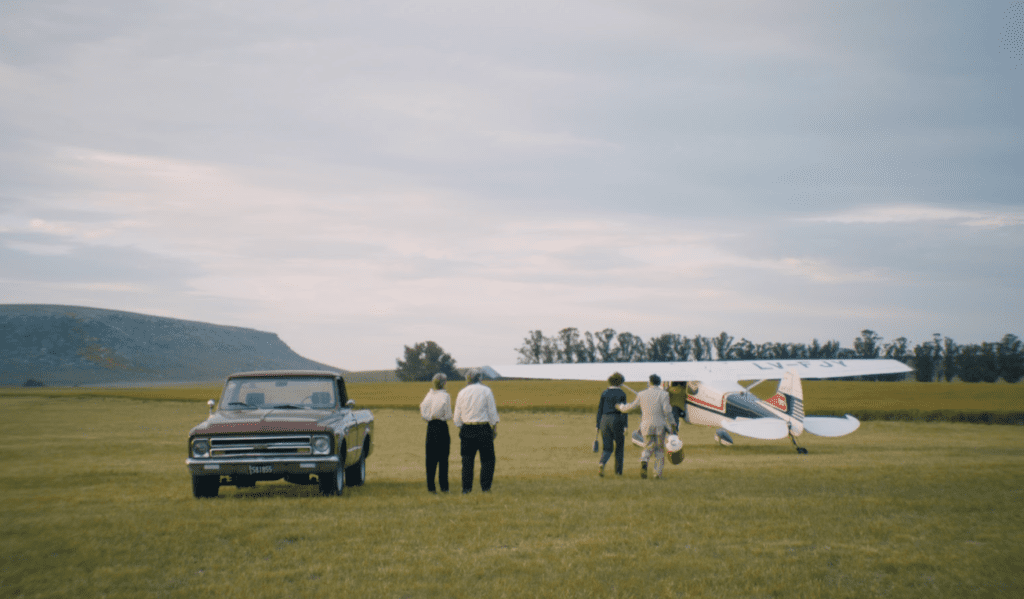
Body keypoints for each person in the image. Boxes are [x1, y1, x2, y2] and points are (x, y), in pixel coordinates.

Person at [618, 374, 674, 479]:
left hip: (646, 426)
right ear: (659, 382)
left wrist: (621, 407)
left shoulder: (641, 394)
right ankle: (657, 473)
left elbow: (631, 407)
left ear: (650, 382)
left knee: (648, 446)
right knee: (659, 450)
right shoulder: (664, 394)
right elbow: (667, 411)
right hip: (660, 425)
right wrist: (673, 423)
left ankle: (644, 461)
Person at [453, 369, 500, 493]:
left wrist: (461, 427)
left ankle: (466, 489)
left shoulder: (461, 393)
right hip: (483, 428)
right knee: (488, 460)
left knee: (467, 460)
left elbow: (457, 417)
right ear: (479, 378)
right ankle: (486, 488)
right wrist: (494, 428)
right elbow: (492, 412)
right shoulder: (486, 391)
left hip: (467, 428)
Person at [419, 373, 453, 493]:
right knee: (443, 458)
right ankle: (444, 487)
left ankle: (431, 487)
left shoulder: (428, 396)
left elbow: (422, 409)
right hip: (442, 426)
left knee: (430, 458)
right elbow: (448, 415)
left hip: (430, 427)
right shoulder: (445, 396)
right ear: (444, 383)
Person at [596, 372, 629, 477]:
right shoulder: (622, 394)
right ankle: (618, 472)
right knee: (619, 447)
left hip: (604, 420)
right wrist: (625, 426)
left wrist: (597, 425)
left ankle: (602, 463)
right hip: (617, 419)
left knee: (607, 447)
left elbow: (600, 410)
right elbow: (624, 410)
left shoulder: (604, 393)